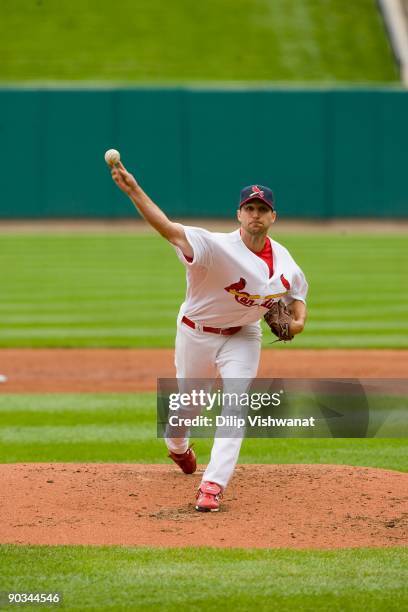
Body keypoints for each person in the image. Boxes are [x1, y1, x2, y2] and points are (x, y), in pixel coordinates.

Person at [110, 163, 308, 512]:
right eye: (250, 208)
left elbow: (298, 297)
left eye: (262, 209)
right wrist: (133, 191)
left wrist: (297, 324)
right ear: (239, 214)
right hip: (196, 332)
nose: (255, 215)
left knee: (235, 405)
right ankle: (177, 445)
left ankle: (212, 486)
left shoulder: (286, 261)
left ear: (273, 217)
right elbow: (169, 230)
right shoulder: (214, 246)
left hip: (244, 336)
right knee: (191, 401)